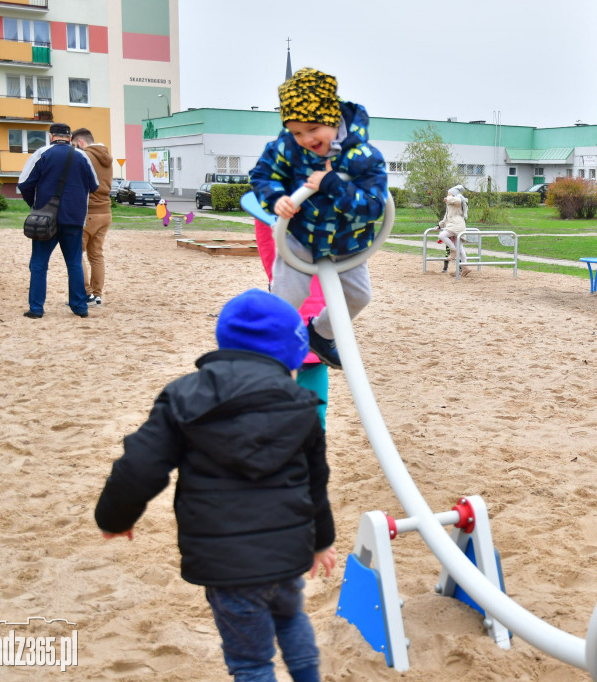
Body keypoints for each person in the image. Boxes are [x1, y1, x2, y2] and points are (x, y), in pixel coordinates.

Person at [94, 289, 336, 682]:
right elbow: (316, 486)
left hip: (227, 564)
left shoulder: (184, 395)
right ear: (291, 355)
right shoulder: (302, 404)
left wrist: (114, 518)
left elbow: (140, 466)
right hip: (286, 554)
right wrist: (321, 542)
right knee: (290, 619)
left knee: (252, 662)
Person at [250, 67, 388, 370]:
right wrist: (276, 199)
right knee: (287, 297)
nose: (305, 138)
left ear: (332, 117)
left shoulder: (364, 157)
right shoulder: (288, 147)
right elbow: (262, 175)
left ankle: (320, 334)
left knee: (359, 297)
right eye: (296, 131)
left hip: (347, 243)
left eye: (312, 129)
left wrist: (331, 184)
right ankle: (269, 352)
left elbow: (375, 207)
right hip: (301, 238)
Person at [254, 215, 330, 428]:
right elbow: (266, 240)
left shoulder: (326, 271)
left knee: (316, 418)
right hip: (282, 357)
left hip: (314, 357)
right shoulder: (278, 270)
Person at [17, 122, 98, 319]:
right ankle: (79, 306)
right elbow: (94, 185)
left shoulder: (41, 154)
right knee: (74, 262)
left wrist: (35, 205)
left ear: (51, 136)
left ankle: (36, 308)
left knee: (39, 263)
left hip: (45, 218)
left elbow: (24, 183)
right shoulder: (82, 157)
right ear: (70, 138)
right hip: (74, 218)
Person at [72, 128, 113, 307]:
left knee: (75, 253)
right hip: (105, 212)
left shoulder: (84, 157)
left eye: (74, 145)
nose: (74, 148)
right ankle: (97, 295)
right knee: (96, 255)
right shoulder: (107, 158)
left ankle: (85, 293)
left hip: (89, 212)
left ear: (80, 142)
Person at [436, 185, 469, 266]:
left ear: (454, 194)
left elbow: (459, 200)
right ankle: (465, 268)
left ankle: (453, 250)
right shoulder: (450, 205)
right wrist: (439, 225)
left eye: (449, 194)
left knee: (442, 235)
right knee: (460, 248)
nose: (447, 196)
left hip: (457, 225)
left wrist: (448, 198)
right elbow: (446, 218)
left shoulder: (458, 200)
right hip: (454, 225)